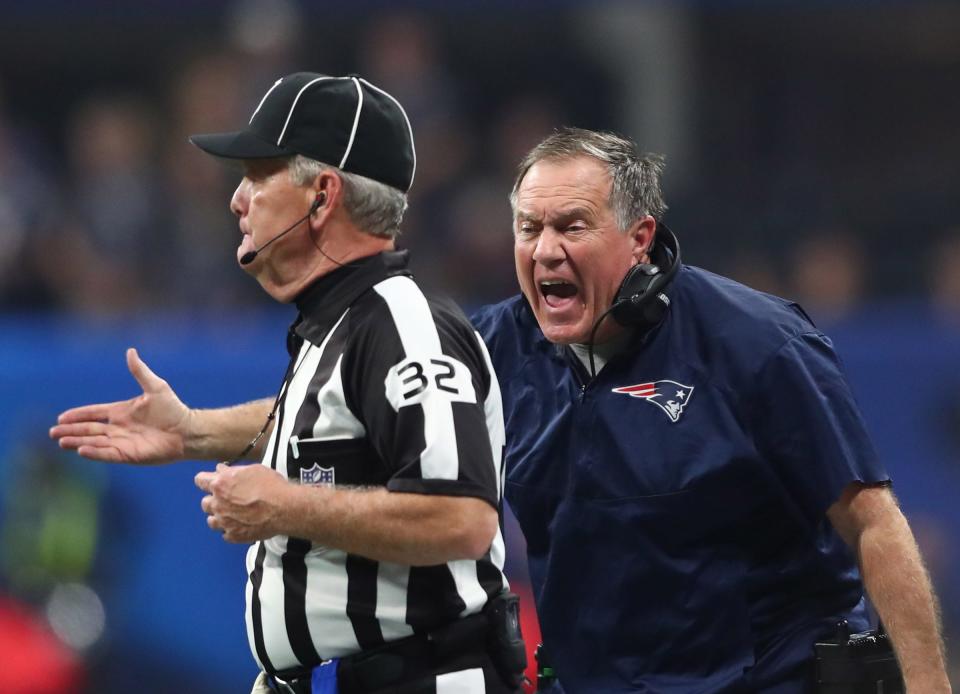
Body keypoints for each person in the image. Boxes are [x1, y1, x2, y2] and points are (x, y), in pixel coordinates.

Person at [50, 72, 525, 694]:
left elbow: (461, 518)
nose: (236, 199)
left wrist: (285, 503)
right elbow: (328, 424)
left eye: (257, 176)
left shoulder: (403, 324)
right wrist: (194, 431)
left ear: (323, 195)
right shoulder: (344, 324)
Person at [470, 127, 951, 692]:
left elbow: (872, 523)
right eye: (530, 228)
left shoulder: (759, 346)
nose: (547, 249)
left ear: (639, 237)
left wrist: (928, 685)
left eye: (573, 226)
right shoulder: (488, 352)